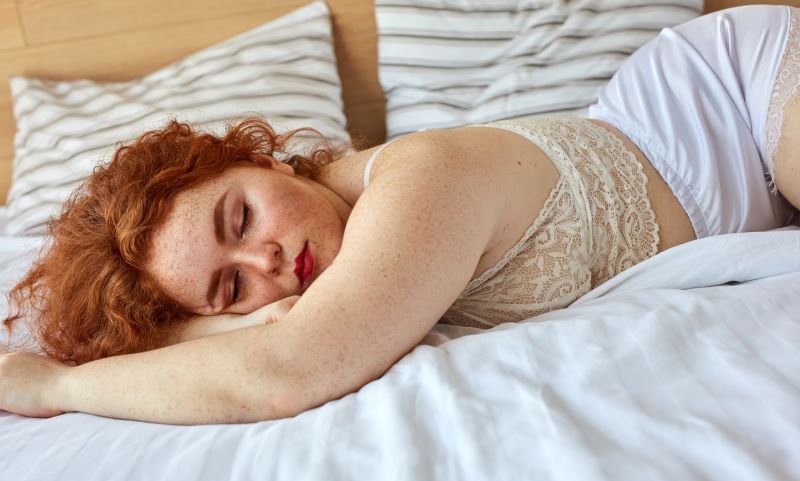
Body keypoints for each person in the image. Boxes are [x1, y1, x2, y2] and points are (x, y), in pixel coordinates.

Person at [0, 5, 798, 425]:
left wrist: (56, 388)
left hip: (731, 96)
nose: (269, 264)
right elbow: (268, 338)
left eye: (239, 220)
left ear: (261, 157)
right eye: (229, 288)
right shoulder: (316, 274)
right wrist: (212, 322)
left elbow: (284, 372)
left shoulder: (419, 179)